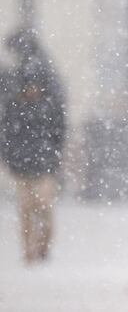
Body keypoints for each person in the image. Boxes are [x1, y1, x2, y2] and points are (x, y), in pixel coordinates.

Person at [0, 29, 66, 264]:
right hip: (24, 163)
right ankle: (29, 248)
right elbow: (7, 134)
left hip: (43, 162)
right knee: (27, 208)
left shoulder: (46, 106)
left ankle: (41, 244)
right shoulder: (15, 106)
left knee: (42, 205)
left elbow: (58, 131)